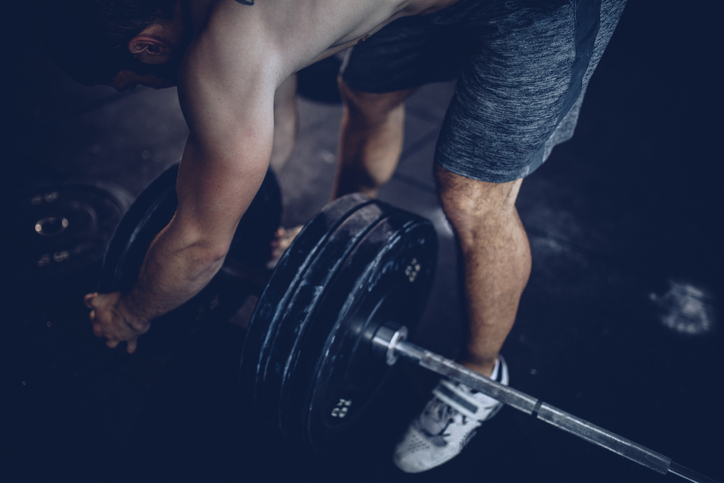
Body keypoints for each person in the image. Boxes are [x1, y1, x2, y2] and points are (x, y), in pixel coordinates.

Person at [39, 0, 626, 472]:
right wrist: (245, 203)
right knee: (367, 97)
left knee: (472, 194)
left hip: (538, 9)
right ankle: (351, 223)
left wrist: (133, 312)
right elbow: (273, 124)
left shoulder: (218, 54)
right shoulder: (240, 30)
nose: (147, 86)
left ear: (147, 45)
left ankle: (477, 377)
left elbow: (199, 247)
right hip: (417, 6)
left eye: (133, 82)